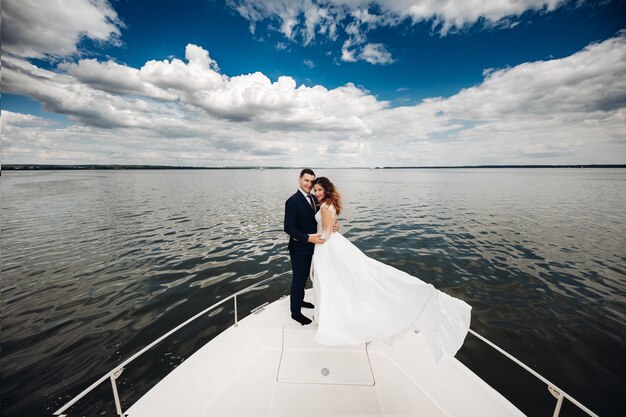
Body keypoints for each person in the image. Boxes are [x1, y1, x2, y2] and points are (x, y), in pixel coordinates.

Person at [310, 177, 471, 361]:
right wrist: (333, 228)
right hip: (336, 244)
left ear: (326, 190)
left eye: (319, 190)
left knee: (328, 278)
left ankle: (327, 316)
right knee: (341, 277)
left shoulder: (323, 207)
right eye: (315, 190)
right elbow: (333, 227)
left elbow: (326, 233)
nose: (316, 193)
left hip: (327, 247)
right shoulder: (331, 204)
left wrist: (310, 236)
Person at [283, 169, 338, 326]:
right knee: (299, 280)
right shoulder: (292, 201)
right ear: (299, 179)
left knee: (306, 277)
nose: (309, 184)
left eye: (311, 181)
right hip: (300, 248)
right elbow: (288, 227)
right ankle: (295, 312)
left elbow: (322, 219)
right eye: (306, 180)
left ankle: (301, 301)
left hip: (315, 247)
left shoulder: (315, 198)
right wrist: (308, 238)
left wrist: (334, 224)